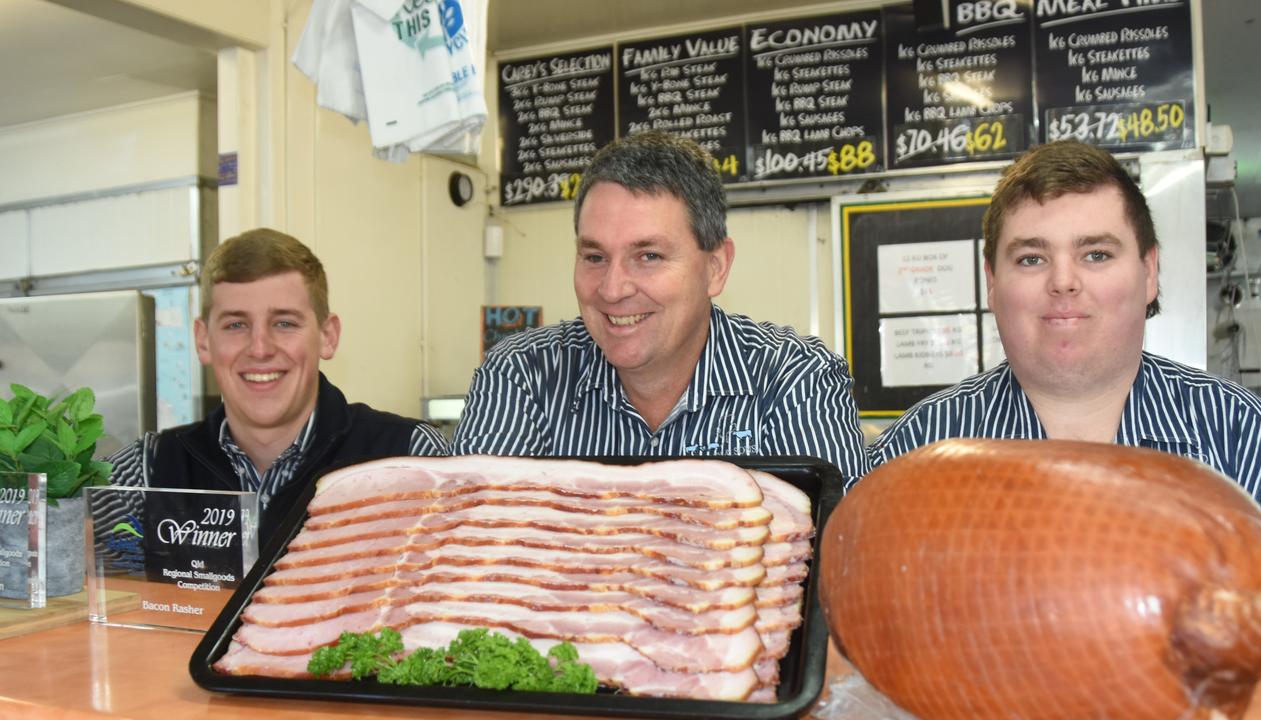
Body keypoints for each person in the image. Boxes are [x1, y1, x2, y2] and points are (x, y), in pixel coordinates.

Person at [868, 140, 1261, 521]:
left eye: (1096, 254)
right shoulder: (912, 453)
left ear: (1149, 271)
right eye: (1031, 258)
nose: (1063, 281)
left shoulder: (1249, 442)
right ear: (992, 282)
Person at [452, 131, 867, 486]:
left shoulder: (797, 380)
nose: (613, 290)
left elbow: (834, 559)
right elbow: (471, 555)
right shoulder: (521, 376)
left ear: (715, 268)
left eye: (648, 256)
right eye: (595, 257)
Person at [103, 228, 447, 544]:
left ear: (327, 337)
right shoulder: (141, 474)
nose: (260, 348)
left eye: (284, 323)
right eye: (236, 324)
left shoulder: (411, 457)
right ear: (203, 341)